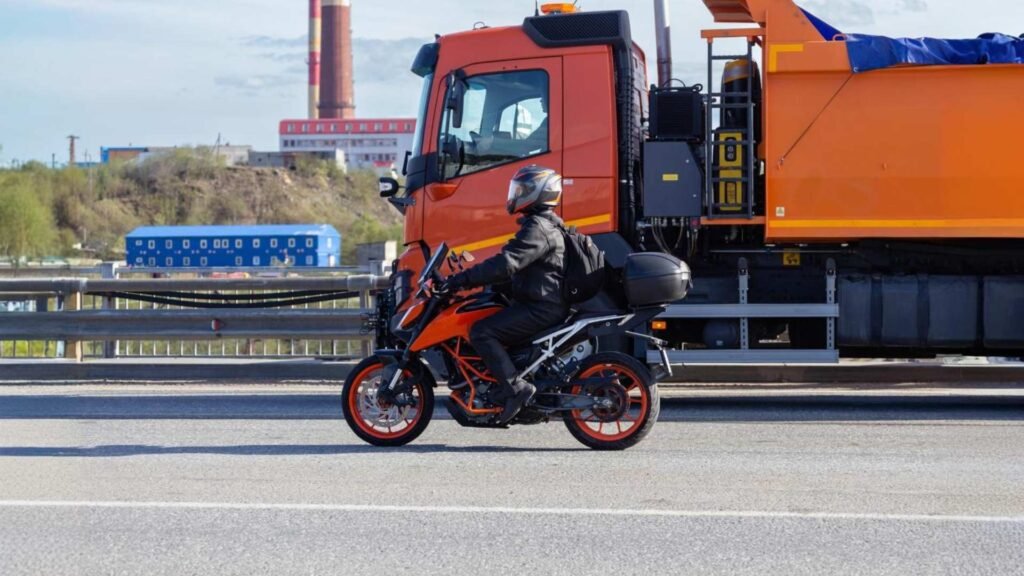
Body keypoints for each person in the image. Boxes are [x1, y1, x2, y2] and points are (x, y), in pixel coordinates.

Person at [442, 165, 568, 424]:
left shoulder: (538, 228)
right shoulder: (543, 225)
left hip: (541, 307)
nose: (515, 194)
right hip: (541, 301)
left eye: (521, 190)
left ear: (538, 193)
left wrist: (461, 280)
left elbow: (506, 263)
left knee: (481, 331)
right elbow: (518, 267)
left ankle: (514, 388)